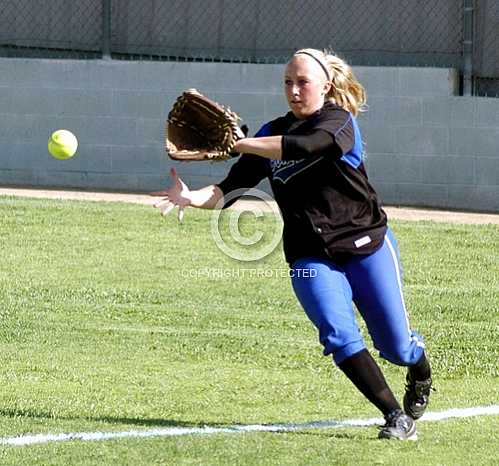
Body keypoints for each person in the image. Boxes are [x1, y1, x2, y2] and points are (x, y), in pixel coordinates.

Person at [152, 48, 433, 440]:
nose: (294, 90)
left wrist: (241, 143)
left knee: (396, 347)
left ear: (326, 85)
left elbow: (304, 146)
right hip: (310, 255)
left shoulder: (338, 123)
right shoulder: (268, 133)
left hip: (366, 246)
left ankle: (418, 367)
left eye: (303, 82)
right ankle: (394, 416)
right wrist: (193, 197)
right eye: (288, 82)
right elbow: (230, 187)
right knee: (337, 334)